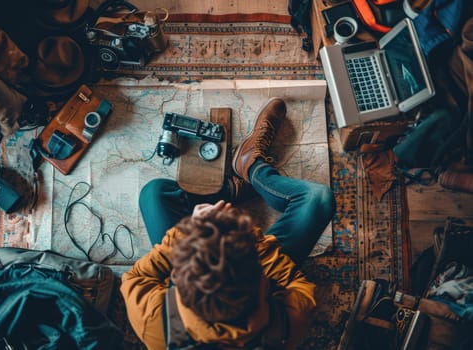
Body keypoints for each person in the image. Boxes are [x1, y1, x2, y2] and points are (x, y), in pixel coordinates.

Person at [120, 98, 335, 349]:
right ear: (263, 281)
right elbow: (297, 283)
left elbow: (136, 276)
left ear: (176, 277)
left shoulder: (152, 319)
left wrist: (187, 233)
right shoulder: (291, 319)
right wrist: (248, 238)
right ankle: (253, 168)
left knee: (154, 193)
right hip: (252, 272)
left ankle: (231, 190)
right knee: (319, 199)